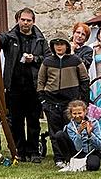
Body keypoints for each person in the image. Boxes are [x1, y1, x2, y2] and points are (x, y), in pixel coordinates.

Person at [0, 8, 47, 162]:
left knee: (33, 121)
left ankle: (34, 151)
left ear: (33, 22)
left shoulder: (40, 39)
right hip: (14, 86)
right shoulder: (10, 37)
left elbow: (47, 58)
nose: (26, 23)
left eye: (29, 20)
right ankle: (19, 151)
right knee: (16, 121)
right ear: (17, 20)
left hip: (34, 86)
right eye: (23, 19)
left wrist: (33, 59)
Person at [38, 36, 90, 168]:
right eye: (56, 44)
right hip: (51, 102)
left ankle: (72, 156)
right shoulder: (47, 61)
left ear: (67, 45)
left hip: (71, 103)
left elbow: (84, 80)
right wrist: (43, 100)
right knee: (54, 132)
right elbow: (40, 82)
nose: (59, 47)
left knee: (72, 131)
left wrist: (83, 100)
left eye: (62, 44)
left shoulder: (75, 60)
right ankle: (59, 158)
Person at [53, 100, 101, 167]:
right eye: (74, 114)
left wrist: (90, 134)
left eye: (79, 113)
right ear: (71, 114)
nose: (77, 116)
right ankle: (69, 160)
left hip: (92, 152)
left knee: (93, 166)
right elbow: (78, 147)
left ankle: (82, 163)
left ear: (85, 112)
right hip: (77, 152)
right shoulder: (69, 126)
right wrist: (79, 132)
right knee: (59, 134)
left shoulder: (94, 123)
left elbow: (100, 146)